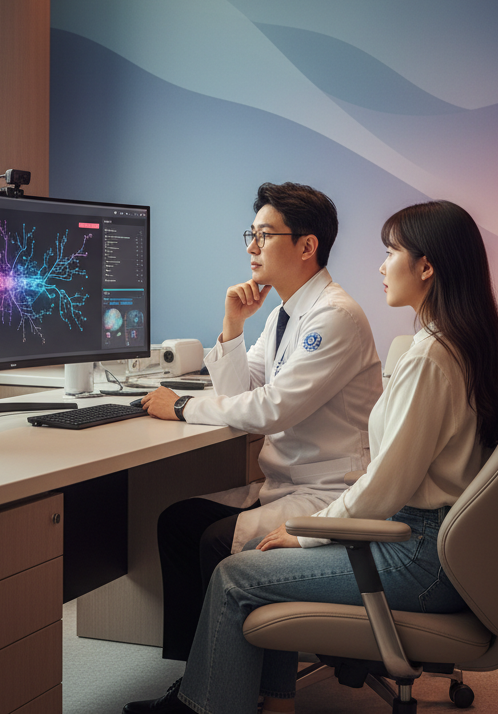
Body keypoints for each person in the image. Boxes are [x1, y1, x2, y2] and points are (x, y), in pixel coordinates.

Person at [171, 200, 498, 714]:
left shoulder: (427, 356)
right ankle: (268, 701)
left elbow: (387, 485)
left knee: (235, 571)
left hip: (418, 556)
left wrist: (306, 530)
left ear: (426, 266)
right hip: (432, 547)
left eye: (390, 252)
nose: (380, 266)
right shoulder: (451, 344)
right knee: (235, 543)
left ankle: (205, 705)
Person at [124, 182, 383, 713]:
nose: (251, 247)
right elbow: (241, 394)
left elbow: (272, 409)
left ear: (306, 246)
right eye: (252, 234)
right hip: (286, 483)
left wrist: (179, 407)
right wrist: (232, 326)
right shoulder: (283, 314)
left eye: (264, 236)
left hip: (328, 494)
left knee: (220, 542)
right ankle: (198, 678)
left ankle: (216, 696)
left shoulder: (335, 317)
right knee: (178, 522)